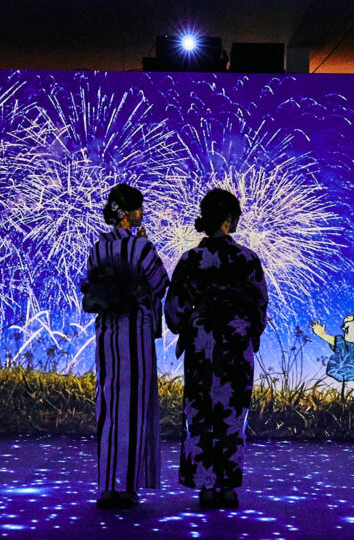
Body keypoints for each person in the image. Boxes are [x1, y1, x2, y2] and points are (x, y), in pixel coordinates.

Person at [164, 189, 268, 509]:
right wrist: (249, 332)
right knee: (233, 413)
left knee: (200, 412)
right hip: (236, 343)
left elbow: (175, 311)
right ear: (228, 220)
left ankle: (205, 486)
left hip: (202, 344)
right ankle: (227, 486)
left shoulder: (189, 260)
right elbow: (260, 306)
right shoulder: (247, 259)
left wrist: (190, 324)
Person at [81, 184, 170, 509]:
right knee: (133, 406)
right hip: (136, 332)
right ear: (128, 214)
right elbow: (160, 283)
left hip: (106, 333)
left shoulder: (98, 249)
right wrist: (146, 244)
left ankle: (107, 485)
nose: (141, 213)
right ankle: (127, 486)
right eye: (138, 209)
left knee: (107, 404)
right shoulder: (140, 248)